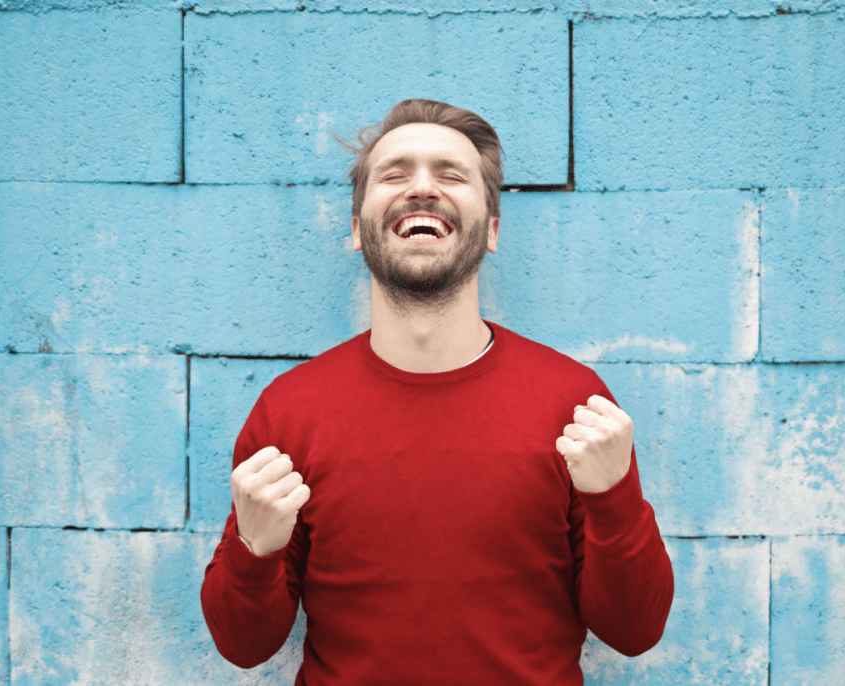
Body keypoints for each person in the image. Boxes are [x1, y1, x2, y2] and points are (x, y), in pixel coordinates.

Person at [201, 99, 674, 685]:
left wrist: (615, 499)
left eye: (450, 174)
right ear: (356, 230)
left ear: (492, 230)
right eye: (395, 174)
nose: (422, 188)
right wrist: (255, 551)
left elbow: (636, 631)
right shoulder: (289, 412)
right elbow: (244, 647)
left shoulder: (574, 404)